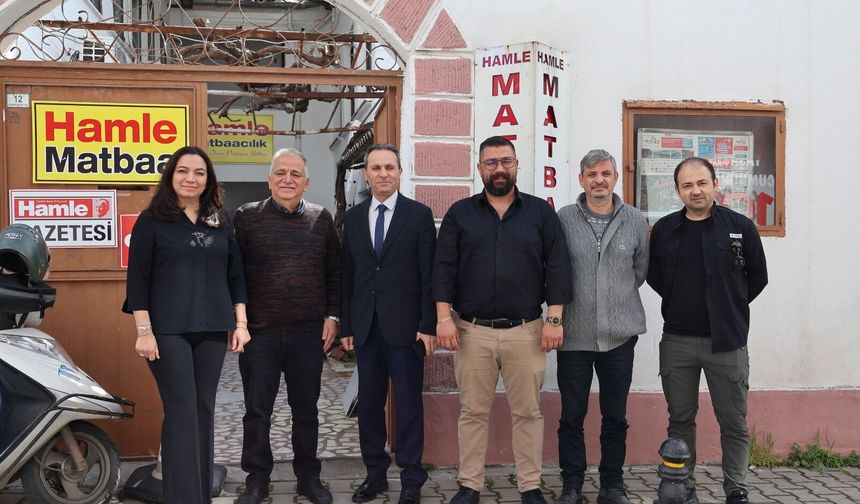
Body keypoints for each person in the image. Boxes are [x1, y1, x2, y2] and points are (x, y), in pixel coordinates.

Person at [433, 136, 572, 504]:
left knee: (527, 412)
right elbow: (443, 268)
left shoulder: (540, 213)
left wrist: (554, 320)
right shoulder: (460, 214)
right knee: (472, 412)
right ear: (479, 168)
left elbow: (558, 267)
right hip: (471, 332)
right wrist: (443, 317)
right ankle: (469, 486)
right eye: (491, 162)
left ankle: (529, 486)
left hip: (526, 332)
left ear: (516, 165)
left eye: (505, 161)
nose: (499, 168)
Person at [125, 145, 249, 504]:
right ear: (171, 176)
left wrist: (240, 323)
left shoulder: (220, 220)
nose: (190, 178)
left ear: (208, 180)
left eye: (199, 172)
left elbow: (236, 276)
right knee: (181, 411)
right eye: (183, 171)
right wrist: (144, 332)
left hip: (212, 328)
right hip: (167, 332)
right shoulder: (152, 221)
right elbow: (138, 281)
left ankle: (199, 497)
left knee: (203, 410)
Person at [647, 157, 768, 504]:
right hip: (678, 341)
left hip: (727, 342)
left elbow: (757, 277)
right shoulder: (666, 230)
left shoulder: (740, 227)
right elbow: (655, 276)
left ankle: (736, 488)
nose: (695, 190)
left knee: (733, 421)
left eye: (701, 183)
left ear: (715, 183)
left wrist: (728, 305)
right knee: (680, 420)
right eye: (687, 185)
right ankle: (682, 487)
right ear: (677, 190)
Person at [232, 148, 341, 504]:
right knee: (257, 411)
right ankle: (257, 480)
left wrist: (333, 316)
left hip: (307, 335)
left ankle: (308, 478)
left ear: (306, 182)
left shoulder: (321, 218)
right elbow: (234, 276)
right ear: (269, 179)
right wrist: (239, 323)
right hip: (259, 335)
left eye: (295, 174)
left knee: (306, 410)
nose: (288, 179)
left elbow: (335, 274)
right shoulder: (246, 218)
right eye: (281, 173)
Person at [340, 143, 437, 504]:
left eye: (389, 168)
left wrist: (428, 325)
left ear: (400, 172)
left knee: (409, 405)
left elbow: (429, 276)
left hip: (407, 329)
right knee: (369, 406)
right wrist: (348, 326)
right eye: (376, 168)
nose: (383, 174)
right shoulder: (352, 218)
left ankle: (412, 479)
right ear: (366, 174)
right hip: (366, 329)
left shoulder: (419, 215)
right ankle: (375, 475)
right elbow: (348, 276)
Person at [555, 150, 649, 504]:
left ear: (614, 177)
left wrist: (611, 299)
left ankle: (612, 485)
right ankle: (572, 485)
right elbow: (555, 271)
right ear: (581, 179)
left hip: (619, 337)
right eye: (591, 174)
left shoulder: (635, 220)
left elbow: (639, 272)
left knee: (615, 415)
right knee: (572, 415)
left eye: (605, 173)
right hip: (574, 336)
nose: (599, 180)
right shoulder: (563, 218)